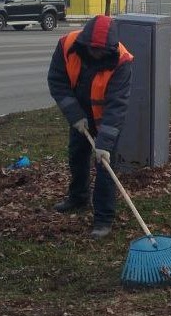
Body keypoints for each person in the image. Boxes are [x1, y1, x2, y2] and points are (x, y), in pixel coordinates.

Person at [47, 15, 134, 238]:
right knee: (77, 155)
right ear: (85, 42)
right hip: (80, 113)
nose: (96, 54)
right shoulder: (67, 45)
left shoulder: (121, 61)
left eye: (100, 51)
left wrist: (104, 143)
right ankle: (78, 197)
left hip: (106, 119)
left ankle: (104, 219)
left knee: (105, 166)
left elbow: (117, 106)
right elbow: (58, 81)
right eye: (92, 49)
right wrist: (75, 116)